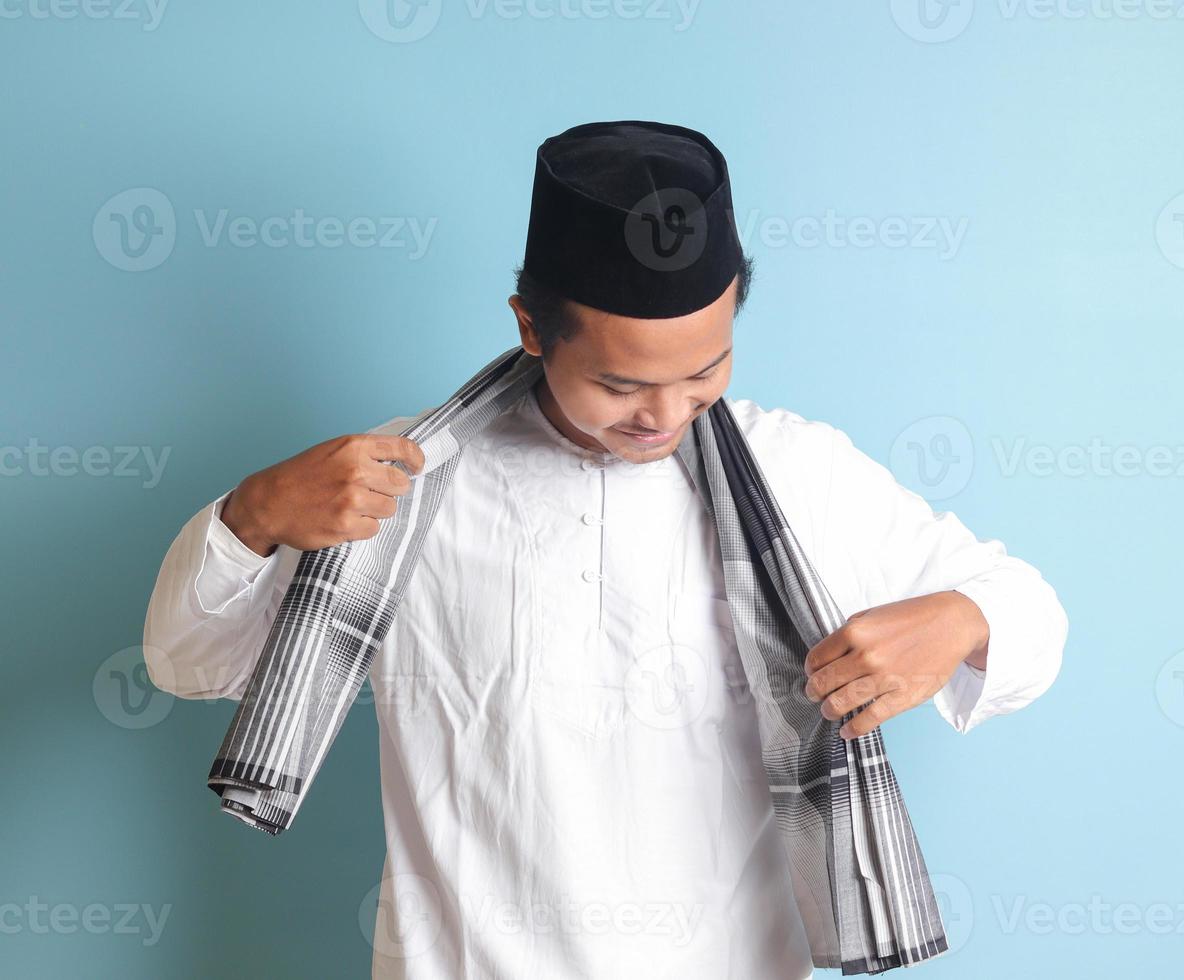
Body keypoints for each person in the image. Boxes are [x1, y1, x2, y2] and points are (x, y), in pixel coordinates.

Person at [142, 120, 1068, 980]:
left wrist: (960, 621)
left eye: (704, 370)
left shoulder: (799, 472)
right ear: (532, 328)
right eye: (621, 383)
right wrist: (256, 511)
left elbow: (1030, 616)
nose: (663, 416)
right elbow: (187, 661)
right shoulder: (394, 483)